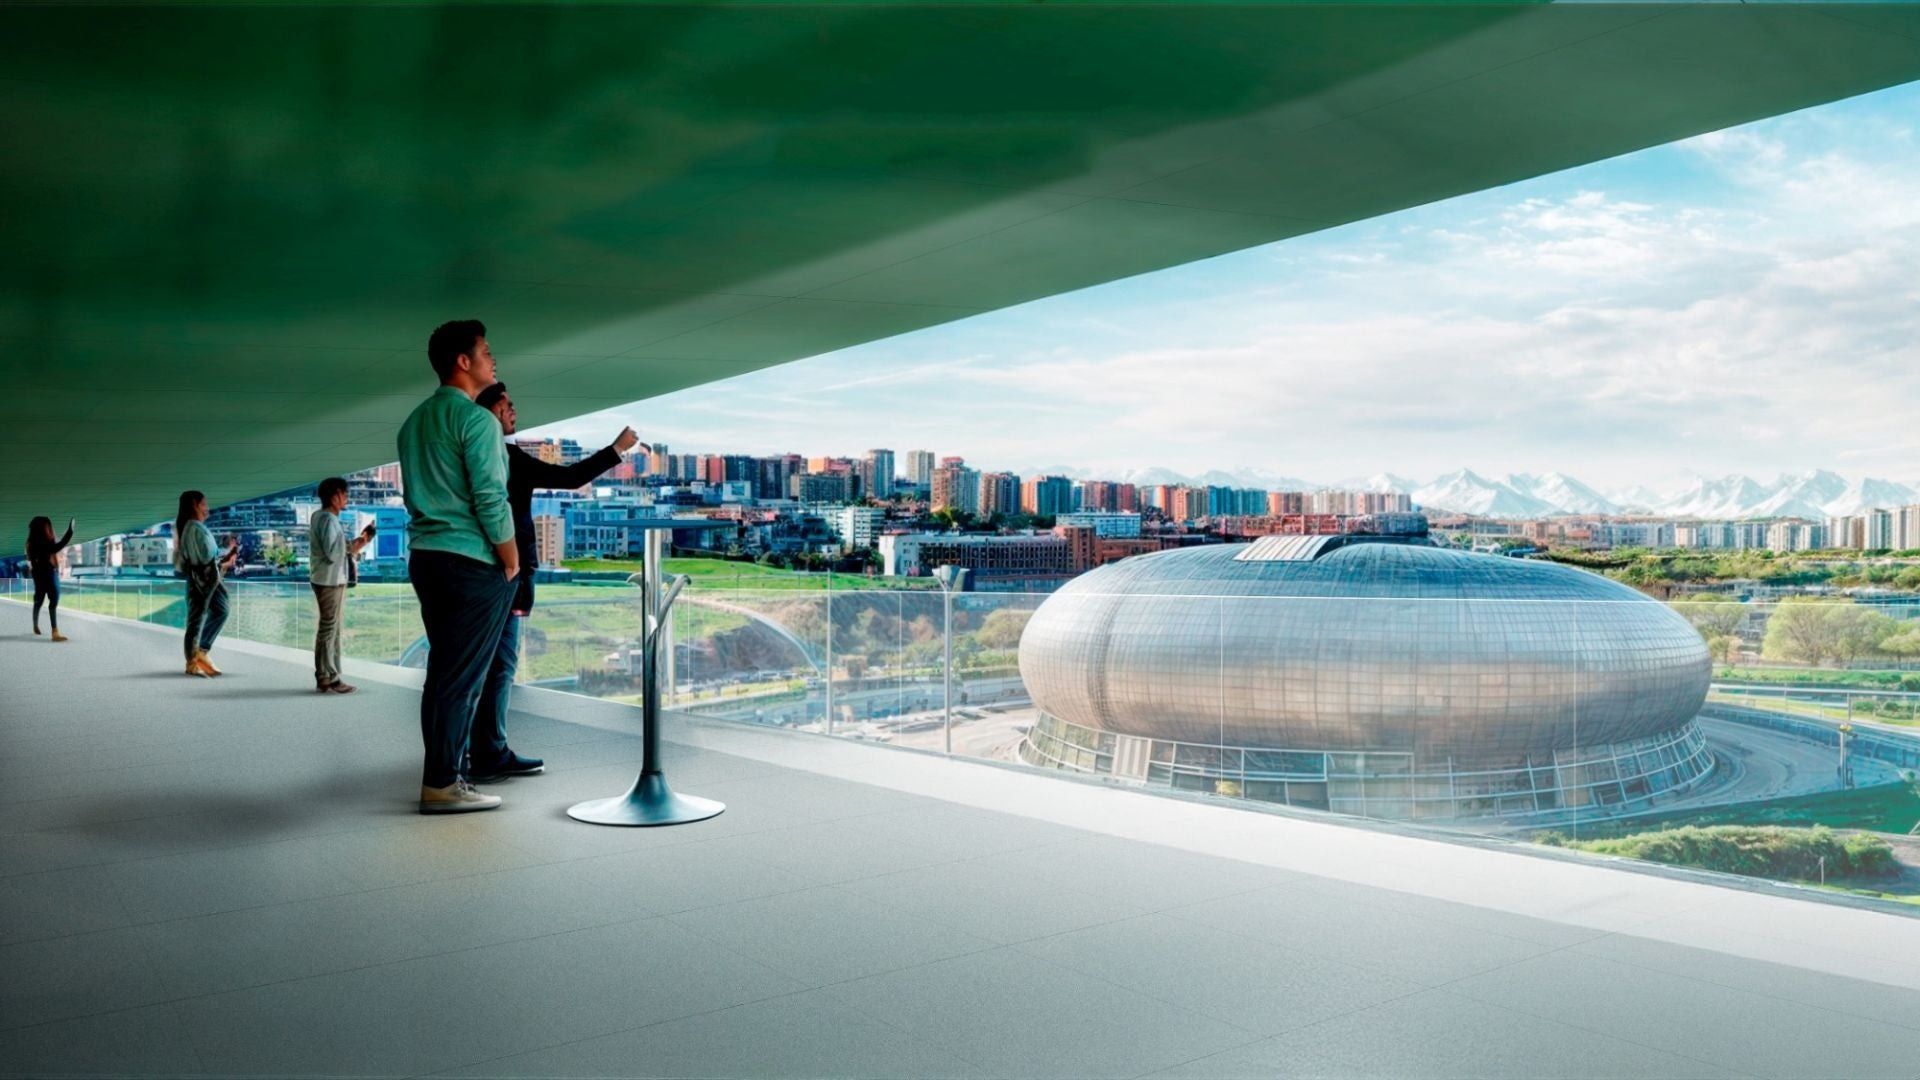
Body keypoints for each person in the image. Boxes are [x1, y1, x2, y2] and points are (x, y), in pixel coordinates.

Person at [470, 381, 643, 781]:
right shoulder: (505, 457)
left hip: (488, 571)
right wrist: (617, 449)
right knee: (500, 665)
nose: (514, 411)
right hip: (508, 571)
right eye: (507, 406)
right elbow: (571, 478)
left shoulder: (477, 455)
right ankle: (488, 752)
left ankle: (475, 750)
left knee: (487, 665)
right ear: (492, 413)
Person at [399, 320, 518, 815]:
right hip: (472, 563)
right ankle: (444, 783)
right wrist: (511, 560)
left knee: (443, 673)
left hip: (427, 559)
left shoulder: (413, 423)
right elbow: (490, 498)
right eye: (487, 352)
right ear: (464, 362)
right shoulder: (478, 421)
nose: (494, 360)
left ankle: (443, 777)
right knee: (464, 680)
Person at [309, 476, 377, 695]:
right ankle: (329, 677)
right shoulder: (328, 520)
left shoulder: (320, 517)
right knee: (329, 629)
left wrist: (362, 540)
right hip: (330, 580)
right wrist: (352, 546)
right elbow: (333, 553)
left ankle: (326, 676)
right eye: (344, 494)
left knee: (329, 628)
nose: (347, 497)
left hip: (326, 578)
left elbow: (338, 549)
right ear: (334, 496)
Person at [173, 490, 237, 677]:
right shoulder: (193, 528)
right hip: (202, 580)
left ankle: (201, 651)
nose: (207, 507)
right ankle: (192, 662)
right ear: (195, 505)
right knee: (196, 620)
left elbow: (207, 557)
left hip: (210, 578)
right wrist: (223, 562)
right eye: (204, 504)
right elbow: (201, 560)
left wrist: (225, 558)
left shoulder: (198, 527)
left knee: (221, 609)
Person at [26, 515, 74, 641]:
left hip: (46, 573)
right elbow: (59, 546)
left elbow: (56, 548)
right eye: (47, 527)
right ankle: (50, 630)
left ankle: (49, 629)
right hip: (45, 574)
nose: (50, 529)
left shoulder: (36, 544)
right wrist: (70, 532)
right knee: (45, 600)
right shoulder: (39, 545)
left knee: (46, 599)